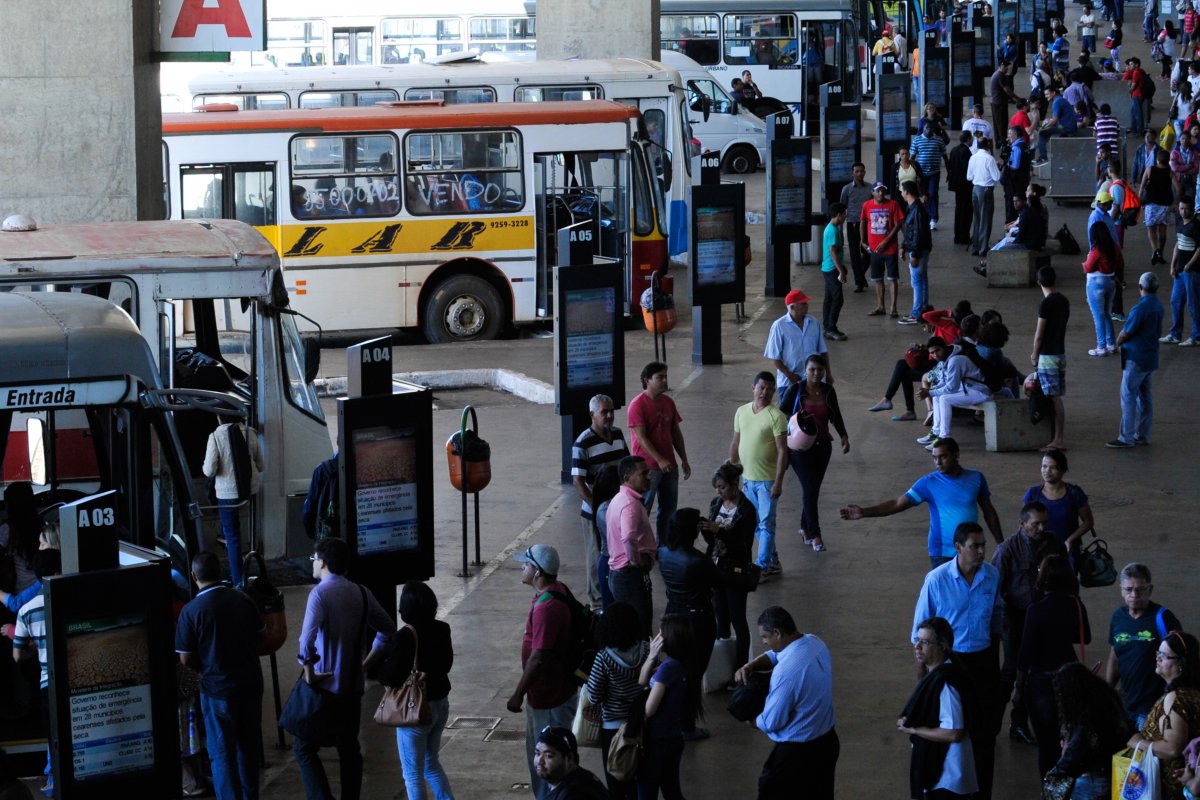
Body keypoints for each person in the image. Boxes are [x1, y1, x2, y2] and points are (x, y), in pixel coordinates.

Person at [293, 537, 397, 800]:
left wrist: (310, 673)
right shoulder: (361, 592)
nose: (313, 564)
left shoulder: (319, 594)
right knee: (349, 747)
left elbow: (306, 641)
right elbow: (387, 629)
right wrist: (366, 662)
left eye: (314, 559)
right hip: (353, 686)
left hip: (325, 687)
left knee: (304, 747)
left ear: (323, 563)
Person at [911, 523, 1003, 800]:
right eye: (974, 546)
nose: (981, 551)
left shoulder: (991, 575)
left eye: (983, 545)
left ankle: (981, 792)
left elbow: (997, 618)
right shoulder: (936, 580)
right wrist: (925, 681)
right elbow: (918, 634)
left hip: (984, 661)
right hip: (952, 663)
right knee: (953, 731)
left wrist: (995, 659)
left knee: (985, 734)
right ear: (958, 548)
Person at [175, 550, 265, 800]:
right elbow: (261, 639)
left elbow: (185, 660)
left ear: (193, 576)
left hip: (217, 692)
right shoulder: (244, 600)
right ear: (220, 572)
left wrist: (199, 672)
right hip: (250, 686)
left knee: (222, 754)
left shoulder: (191, 612)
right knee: (248, 749)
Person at [841, 438, 1004, 567]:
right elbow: (897, 503)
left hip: (971, 550)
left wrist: (1001, 544)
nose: (938, 462)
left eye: (943, 457)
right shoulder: (928, 483)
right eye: (934, 458)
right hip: (942, 552)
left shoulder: (976, 478)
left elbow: (989, 512)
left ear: (956, 455)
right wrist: (864, 512)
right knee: (945, 602)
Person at [735, 606, 838, 800]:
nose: (764, 642)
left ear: (777, 633)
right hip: (827, 742)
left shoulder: (786, 673)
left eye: (765, 637)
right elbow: (775, 655)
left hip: (797, 753)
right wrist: (751, 665)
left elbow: (772, 721)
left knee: (770, 791)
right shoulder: (815, 642)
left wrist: (753, 721)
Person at [990, 502, 1067, 749]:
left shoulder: (1053, 542)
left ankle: (1020, 724)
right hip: (1015, 619)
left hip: (1044, 617)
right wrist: (1001, 625)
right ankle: (991, 726)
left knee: (1037, 672)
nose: (1041, 528)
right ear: (1022, 524)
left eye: (1045, 523)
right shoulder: (1007, 549)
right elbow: (995, 589)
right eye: (1036, 524)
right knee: (1011, 671)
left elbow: (1063, 573)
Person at [507, 544, 580, 800]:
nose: (522, 567)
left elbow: (538, 658)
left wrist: (518, 694)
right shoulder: (554, 593)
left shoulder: (547, 608)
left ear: (537, 571)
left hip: (549, 698)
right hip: (554, 693)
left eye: (526, 564)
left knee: (546, 764)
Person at [378, 582, 455, 800]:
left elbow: (390, 677)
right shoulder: (443, 628)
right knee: (431, 763)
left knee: (412, 774)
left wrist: (383, 658)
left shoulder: (405, 636)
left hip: (416, 710)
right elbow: (446, 665)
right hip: (441, 705)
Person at [1015, 554, 1091, 776]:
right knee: (1070, 739)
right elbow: (1085, 638)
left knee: (1047, 746)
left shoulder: (1035, 610)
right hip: (1070, 679)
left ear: (1044, 578)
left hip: (1041, 682)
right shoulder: (1076, 605)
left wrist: (1019, 689)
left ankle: (1051, 788)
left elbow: (1025, 654)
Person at [898, 617, 980, 799]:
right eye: (917, 640)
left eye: (925, 642)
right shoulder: (940, 673)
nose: (917, 647)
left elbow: (954, 732)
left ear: (942, 646)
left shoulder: (946, 684)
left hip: (947, 778)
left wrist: (914, 729)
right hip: (944, 776)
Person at [657, 508, 718, 740]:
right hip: (697, 619)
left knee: (677, 668)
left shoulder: (662, 552)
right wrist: (711, 541)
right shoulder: (697, 560)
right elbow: (717, 579)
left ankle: (675, 718)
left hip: (673, 615)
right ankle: (687, 725)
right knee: (694, 674)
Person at [779, 355, 848, 553]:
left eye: (820, 369)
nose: (816, 373)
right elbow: (780, 413)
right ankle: (816, 534)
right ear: (805, 370)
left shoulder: (828, 391)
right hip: (799, 448)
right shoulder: (796, 390)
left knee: (813, 489)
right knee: (810, 488)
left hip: (823, 445)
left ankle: (804, 527)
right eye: (812, 370)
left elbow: (836, 414)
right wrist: (795, 421)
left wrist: (843, 435)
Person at [571, 394, 629, 610]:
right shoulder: (582, 443)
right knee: (597, 557)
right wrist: (598, 509)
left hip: (618, 509)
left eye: (611, 411)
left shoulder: (618, 434)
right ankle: (597, 605)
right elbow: (578, 481)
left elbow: (626, 467)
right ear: (592, 415)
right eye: (604, 412)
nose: (610, 415)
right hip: (595, 513)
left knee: (618, 554)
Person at [1107, 563, 1183, 727]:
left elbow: (1179, 660)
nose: (1134, 594)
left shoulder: (1163, 618)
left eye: (1140, 589)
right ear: (1121, 589)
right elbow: (1114, 657)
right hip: (1126, 707)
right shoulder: (1117, 617)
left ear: (1150, 589)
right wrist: (1107, 692)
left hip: (1154, 708)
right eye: (1129, 589)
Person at [584, 603, 649, 798]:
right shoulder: (647, 650)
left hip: (613, 729)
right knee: (641, 780)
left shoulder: (603, 658)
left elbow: (594, 696)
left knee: (617, 781)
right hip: (642, 725)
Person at [1127, 631, 1200, 799]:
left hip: (1167, 788)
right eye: (1158, 653)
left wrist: (1139, 742)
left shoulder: (1175, 698)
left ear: (1181, 663)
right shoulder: (1191, 693)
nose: (1158, 658)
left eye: (1165, 655)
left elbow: (1172, 748)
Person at [1044, 662, 1132, 800]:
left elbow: (1072, 757)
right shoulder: (1106, 703)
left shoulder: (1085, 720)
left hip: (1089, 782)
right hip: (1108, 775)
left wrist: (1054, 774)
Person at [728, 372, 788, 574]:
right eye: (761, 387)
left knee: (766, 523)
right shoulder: (741, 411)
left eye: (770, 389)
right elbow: (736, 442)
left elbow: (782, 451)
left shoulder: (777, 417)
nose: (765, 392)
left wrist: (778, 482)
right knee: (754, 522)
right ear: (753, 387)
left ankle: (762, 567)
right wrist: (731, 470)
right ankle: (773, 560)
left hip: (767, 482)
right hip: (747, 480)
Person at [11, 549, 59, 798]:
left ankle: (53, 782)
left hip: (47, 683)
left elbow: (17, 656)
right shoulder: (75, 598)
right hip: (76, 678)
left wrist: (35, 648)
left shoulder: (27, 610)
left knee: (54, 734)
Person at [637, 614, 700, 800]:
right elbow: (643, 680)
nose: (657, 637)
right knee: (672, 791)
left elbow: (649, 709)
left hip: (657, 742)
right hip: (673, 738)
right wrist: (651, 658)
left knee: (647, 793)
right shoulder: (681, 665)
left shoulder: (667, 668)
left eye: (660, 634)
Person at [627, 362, 691, 543]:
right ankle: (639, 547)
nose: (664, 380)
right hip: (647, 468)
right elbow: (641, 438)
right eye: (659, 377)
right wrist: (659, 459)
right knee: (643, 507)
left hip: (669, 465)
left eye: (665, 376)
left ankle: (662, 546)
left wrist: (683, 459)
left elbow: (675, 432)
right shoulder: (637, 405)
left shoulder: (668, 402)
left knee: (669, 509)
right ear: (647, 380)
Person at [701, 463, 757, 667]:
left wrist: (719, 531)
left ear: (735, 484)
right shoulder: (716, 503)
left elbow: (744, 547)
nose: (719, 491)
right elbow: (711, 542)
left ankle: (741, 667)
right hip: (716, 569)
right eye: (717, 487)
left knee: (738, 619)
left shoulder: (747, 510)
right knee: (720, 619)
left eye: (723, 487)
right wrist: (706, 529)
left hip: (736, 571)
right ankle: (722, 666)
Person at [202, 420, 263, 588]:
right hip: (250, 490)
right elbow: (261, 465)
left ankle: (238, 582)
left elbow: (209, 471)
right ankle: (225, 535)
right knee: (234, 531)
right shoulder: (250, 432)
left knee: (233, 537)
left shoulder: (215, 436)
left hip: (227, 494)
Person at [1108, 272, 1164, 448]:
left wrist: (1116, 344)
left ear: (1141, 288)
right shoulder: (1158, 306)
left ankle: (1127, 437)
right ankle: (1143, 434)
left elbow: (1126, 332)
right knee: (1145, 397)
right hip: (1150, 357)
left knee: (1129, 396)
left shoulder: (1140, 309)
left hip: (1136, 358)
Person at [605, 456, 657, 637]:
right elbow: (628, 537)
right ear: (627, 478)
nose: (649, 477)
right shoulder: (629, 505)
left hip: (620, 574)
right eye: (643, 474)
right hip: (630, 576)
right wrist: (637, 561)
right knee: (640, 628)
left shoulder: (619, 498)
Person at [1023, 449, 1095, 560]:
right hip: (1039, 550)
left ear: (1063, 470)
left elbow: (1088, 521)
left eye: (1053, 467)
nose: (1047, 471)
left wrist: (1070, 540)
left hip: (1068, 550)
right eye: (1044, 466)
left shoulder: (1074, 493)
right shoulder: (1033, 494)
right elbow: (1024, 523)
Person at [764, 288, 833, 400]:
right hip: (788, 383)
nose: (807, 306)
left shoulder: (814, 323)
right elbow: (774, 357)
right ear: (792, 307)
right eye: (803, 304)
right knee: (790, 415)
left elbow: (822, 351)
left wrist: (828, 374)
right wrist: (790, 375)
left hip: (813, 380)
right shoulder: (779, 326)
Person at [1030, 266, 1069, 450]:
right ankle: (1056, 438)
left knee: (1054, 398)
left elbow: (1039, 334)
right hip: (1060, 353)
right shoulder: (1063, 301)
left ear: (1039, 282)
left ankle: (1058, 439)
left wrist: (1034, 355)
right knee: (1055, 397)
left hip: (1048, 356)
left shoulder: (1045, 304)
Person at [866, 333, 935, 421]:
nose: (924, 330)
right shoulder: (937, 329)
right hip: (930, 363)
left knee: (904, 373)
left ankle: (890, 401)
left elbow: (940, 351)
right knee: (901, 364)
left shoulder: (945, 326)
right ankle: (890, 401)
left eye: (925, 326)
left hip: (936, 368)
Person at [860, 182, 904, 317]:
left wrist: (886, 241)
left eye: (883, 191)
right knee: (877, 279)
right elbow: (863, 221)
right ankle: (880, 306)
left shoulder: (893, 204)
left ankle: (893, 308)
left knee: (892, 278)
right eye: (878, 191)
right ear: (873, 192)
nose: (881, 193)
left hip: (890, 248)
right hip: (874, 249)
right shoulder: (867, 205)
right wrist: (862, 241)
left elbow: (898, 224)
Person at [1082, 219, 1123, 356]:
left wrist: (1083, 264)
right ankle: (1111, 344)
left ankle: (1101, 347)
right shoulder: (1114, 248)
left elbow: (1087, 267)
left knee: (1098, 316)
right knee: (1106, 314)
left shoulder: (1096, 249)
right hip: (1110, 282)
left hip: (1095, 283)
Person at [1162, 199, 1200, 346]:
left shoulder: (1196, 226)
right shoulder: (1179, 223)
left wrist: (1190, 264)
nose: (1183, 211)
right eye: (1181, 208)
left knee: (1193, 303)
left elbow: (1199, 248)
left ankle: (1196, 336)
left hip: (1192, 272)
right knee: (1176, 301)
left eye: (1186, 209)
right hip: (1180, 271)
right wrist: (1173, 265)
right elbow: (1178, 244)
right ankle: (1175, 334)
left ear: (1192, 210)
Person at [533, 727, 608, 800]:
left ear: (569, 758)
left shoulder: (575, 795)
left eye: (549, 756)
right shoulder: (573, 777)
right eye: (537, 753)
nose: (540, 760)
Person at [899, 181, 933, 325]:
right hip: (921, 249)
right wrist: (904, 246)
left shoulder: (916, 210)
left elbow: (917, 233)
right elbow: (912, 232)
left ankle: (917, 313)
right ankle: (923, 311)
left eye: (902, 191)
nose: (901, 193)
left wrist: (914, 254)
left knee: (917, 282)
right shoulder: (916, 208)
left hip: (918, 250)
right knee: (922, 280)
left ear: (907, 192)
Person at [840, 162, 874, 291]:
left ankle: (860, 276)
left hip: (867, 224)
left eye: (862, 171)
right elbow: (843, 207)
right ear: (852, 173)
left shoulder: (870, 188)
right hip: (853, 224)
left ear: (865, 172)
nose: (860, 173)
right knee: (854, 254)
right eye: (857, 171)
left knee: (869, 253)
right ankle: (859, 282)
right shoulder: (847, 189)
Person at [910, 124, 950, 228]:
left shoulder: (938, 140)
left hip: (934, 172)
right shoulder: (917, 140)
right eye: (927, 127)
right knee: (924, 194)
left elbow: (945, 156)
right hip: (921, 173)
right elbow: (912, 158)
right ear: (922, 129)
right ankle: (926, 216)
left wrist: (949, 171)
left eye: (930, 127)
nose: (929, 129)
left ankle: (933, 217)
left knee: (933, 193)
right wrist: (911, 172)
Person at [1140, 149, 1175, 265]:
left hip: (1151, 204)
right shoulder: (1170, 172)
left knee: (1151, 229)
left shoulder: (1149, 170)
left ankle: (1155, 250)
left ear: (1157, 159)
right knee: (1162, 229)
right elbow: (1178, 188)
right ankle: (1161, 252)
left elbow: (1142, 186)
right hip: (1165, 205)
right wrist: (1175, 202)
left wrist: (1139, 201)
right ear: (1168, 160)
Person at [820, 202, 849, 340]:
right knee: (838, 299)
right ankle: (830, 328)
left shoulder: (834, 228)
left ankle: (828, 327)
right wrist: (840, 271)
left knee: (829, 298)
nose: (846, 216)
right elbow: (832, 252)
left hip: (829, 268)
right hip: (831, 269)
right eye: (844, 214)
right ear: (839, 215)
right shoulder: (832, 230)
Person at [948, 131, 975, 248]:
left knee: (958, 210)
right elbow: (967, 170)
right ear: (968, 139)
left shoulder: (954, 150)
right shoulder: (966, 152)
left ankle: (957, 236)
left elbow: (950, 167)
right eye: (971, 139)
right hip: (966, 186)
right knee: (966, 211)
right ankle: (964, 236)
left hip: (956, 186)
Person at [1037, 86, 1078, 163]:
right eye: (1045, 95)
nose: (1046, 97)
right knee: (1047, 131)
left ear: (1053, 93)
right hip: (1070, 126)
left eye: (1047, 94)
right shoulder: (1061, 99)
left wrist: (1043, 127)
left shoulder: (1057, 102)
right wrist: (1048, 121)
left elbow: (1054, 121)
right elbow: (1056, 118)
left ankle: (1043, 158)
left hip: (1066, 128)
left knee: (1041, 133)